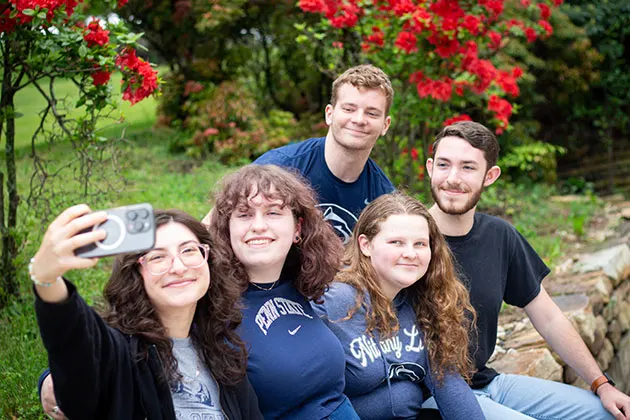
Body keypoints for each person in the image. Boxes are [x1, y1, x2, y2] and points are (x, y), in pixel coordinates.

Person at [422, 120, 630, 420]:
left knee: (607, 414)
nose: (452, 178)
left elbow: (548, 316)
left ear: (490, 176)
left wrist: (601, 384)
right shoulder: (407, 236)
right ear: (430, 167)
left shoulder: (500, 236)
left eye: (468, 167)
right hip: (431, 396)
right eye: (444, 165)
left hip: (485, 382)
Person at [31, 206, 262, 419]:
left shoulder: (222, 354)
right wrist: (46, 279)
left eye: (189, 250)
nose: (179, 267)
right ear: (135, 274)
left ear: (207, 260)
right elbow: (76, 341)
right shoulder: (119, 352)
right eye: (158, 257)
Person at [312, 192, 485, 420]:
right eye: (397, 242)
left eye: (420, 244)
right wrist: (399, 399)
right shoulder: (332, 303)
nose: (411, 254)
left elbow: (449, 384)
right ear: (365, 245)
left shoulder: (425, 300)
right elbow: (308, 399)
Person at [209, 164, 360, 419]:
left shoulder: (301, 284)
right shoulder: (211, 303)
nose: (258, 226)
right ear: (227, 229)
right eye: (244, 214)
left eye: (273, 213)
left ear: (297, 229)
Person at [203, 64, 395, 242]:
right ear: (329, 114)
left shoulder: (382, 194)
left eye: (372, 113)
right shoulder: (280, 167)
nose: (359, 119)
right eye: (349, 109)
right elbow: (210, 226)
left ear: (385, 125)